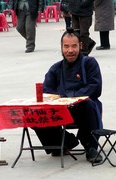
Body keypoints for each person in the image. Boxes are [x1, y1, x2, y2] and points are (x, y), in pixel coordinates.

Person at [33, 28, 103, 163]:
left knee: (87, 103)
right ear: (61, 47)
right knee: (34, 113)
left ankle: (91, 147)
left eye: (74, 46)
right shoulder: (56, 68)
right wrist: (61, 100)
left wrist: (72, 97)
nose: (70, 50)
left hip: (83, 109)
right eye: (66, 46)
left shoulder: (89, 63)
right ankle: (65, 141)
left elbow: (95, 87)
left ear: (80, 46)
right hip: (61, 110)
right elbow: (47, 90)